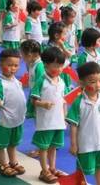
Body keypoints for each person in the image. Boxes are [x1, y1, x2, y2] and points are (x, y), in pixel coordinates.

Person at [67, 62, 100, 185]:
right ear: (82, 83)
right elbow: (73, 126)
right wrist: (73, 144)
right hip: (85, 145)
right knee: (82, 171)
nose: (98, 85)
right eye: (93, 82)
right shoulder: (78, 102)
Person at [30, 46, 68, 183]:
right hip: (45, 122)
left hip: (58, 121)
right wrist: (43, 104)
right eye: (55, 66)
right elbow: (34, 100)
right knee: (44, 148)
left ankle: (52, 168)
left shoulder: (62, 81)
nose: (59, 69)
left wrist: (65, 116)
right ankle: (44, 171)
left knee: (54, 146)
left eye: (61, 66)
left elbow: (64, 100)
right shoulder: (42, 81)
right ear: (46, 65)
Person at [0, 49, 27, 177]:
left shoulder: (17, 81)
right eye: (9, 65)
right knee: (0, 145)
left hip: (17, 120)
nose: (13, 68)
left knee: (13, 144)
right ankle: (3, 165)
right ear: (1, 65)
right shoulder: (0, 83)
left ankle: (13, 162)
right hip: (5, 121)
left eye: (16, 65)